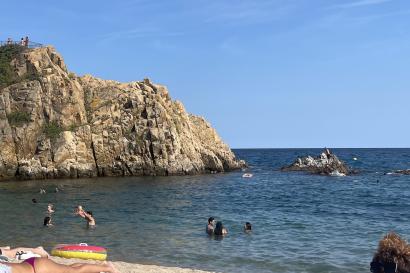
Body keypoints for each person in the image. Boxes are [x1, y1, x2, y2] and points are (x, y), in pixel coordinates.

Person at [0, 258, 119, 273]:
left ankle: (107, 268)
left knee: (74, 272)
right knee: (70, 268)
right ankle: (98, 265)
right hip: (31, 264)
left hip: (39, 269)